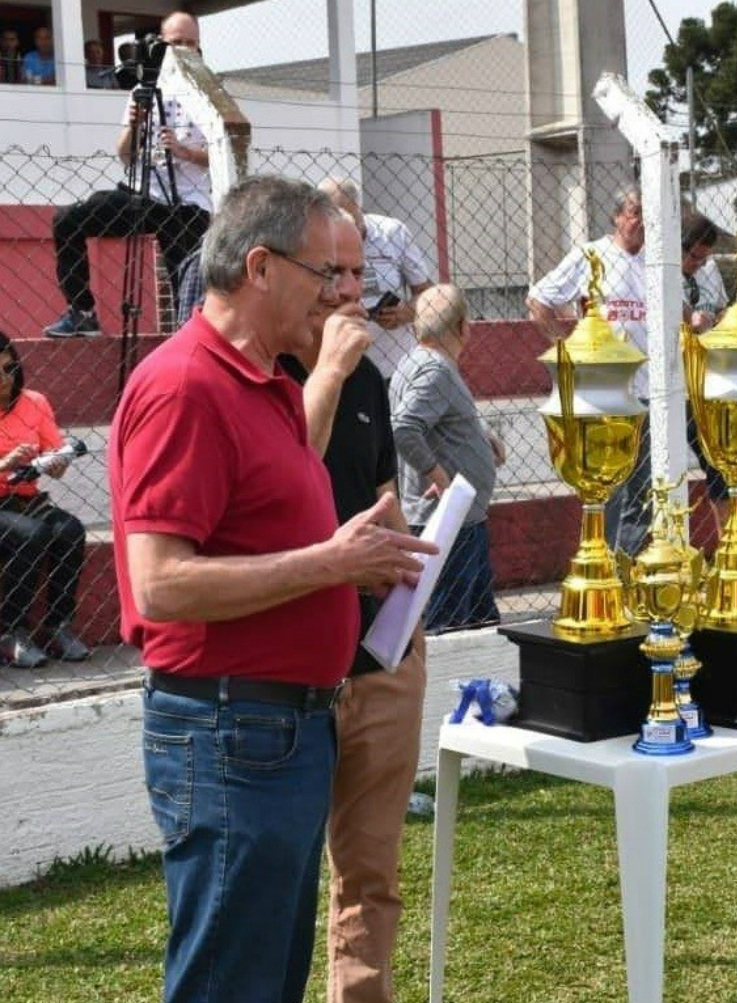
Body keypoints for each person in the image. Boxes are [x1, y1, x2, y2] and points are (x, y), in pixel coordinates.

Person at [108, 175, 436, 1003]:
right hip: (231, 732)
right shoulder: (185, 386)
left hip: (276, 729)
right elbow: (160, 584)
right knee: (232, 982)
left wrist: (366, 550)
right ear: (260, 268)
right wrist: (335, 562)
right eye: (324, 274)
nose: (340, 294)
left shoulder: (269, 381)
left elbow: (276, 518)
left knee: (263, 978)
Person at [274, 211, 430, 1003]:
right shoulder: (265, 376)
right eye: (331, 275)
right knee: (281, 882)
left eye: (359, 275)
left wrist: (413, 578)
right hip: (294, 670)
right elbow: (283, 486)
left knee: (371, 873)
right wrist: (326, 373)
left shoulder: (370, 376)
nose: (349, 293)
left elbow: (378, 492)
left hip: (381, 653)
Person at [44, 12, 211, 337]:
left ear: (200, 48)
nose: (184, 51)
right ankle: (82, 312)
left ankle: (191, 340)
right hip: (143, 193)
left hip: (188, 203)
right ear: (162, 46)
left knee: (186, 283)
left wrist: (186, 152)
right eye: (176, 43)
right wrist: (135, 123)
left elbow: (228, 154)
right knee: (69, 219)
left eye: (191, 44)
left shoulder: (211, 94)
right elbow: (124, 154)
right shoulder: (143, 89)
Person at [528, 188, 650, 554]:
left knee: (643, 488)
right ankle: (600, 558)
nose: (640, 221)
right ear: (616, 217)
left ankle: (629, 566)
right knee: (606, 484)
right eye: (634, 212)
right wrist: (565, 348)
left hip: (647, 388)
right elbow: (539, 299)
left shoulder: (657, 259)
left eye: (647, 213)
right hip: (603, 391)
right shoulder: (590, 254)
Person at [392, 283, 503, 633]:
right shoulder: (436, 369)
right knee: (450, 629)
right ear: (462, 327)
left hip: (462, 522)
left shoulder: (417, 362)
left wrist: (481, 442)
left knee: (481, 625)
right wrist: (441, 478)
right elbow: (404, 427)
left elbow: (436, 423)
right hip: (447, 525)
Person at [0, 332, 90, 668]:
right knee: (30, 533)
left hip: (26, 498)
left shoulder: (34, 402)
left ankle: (57, 627)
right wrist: (5, 465)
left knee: (70, 529)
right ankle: (12, 633)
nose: (5, 380)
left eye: (10, 369)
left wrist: (56, 461)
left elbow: (56, 466)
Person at [317, 177, 434, 376]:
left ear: (359, 208)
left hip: (396, 366)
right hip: (340, 364)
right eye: (337, 222)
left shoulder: (392, 233)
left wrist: (406, 312)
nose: (348, 228)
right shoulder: (315, 242)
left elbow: (428, 294)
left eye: (353, 220)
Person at [681, 213, 731, 529]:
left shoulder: (709, 270)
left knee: (719, 462)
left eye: (704, 256)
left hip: (709, 380)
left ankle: (729, 539)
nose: (699, 262)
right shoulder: (660, 271)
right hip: (677, 383)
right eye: (693, 256)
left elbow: (722, 308)